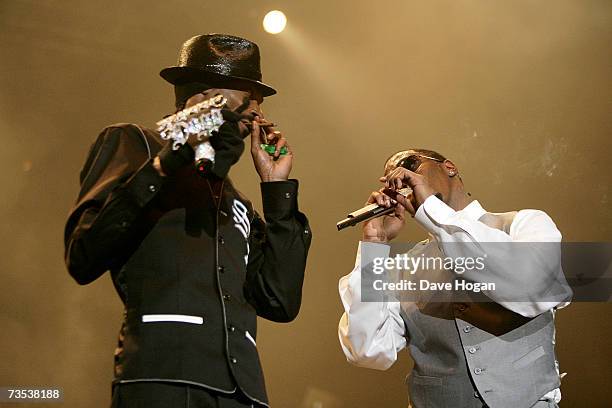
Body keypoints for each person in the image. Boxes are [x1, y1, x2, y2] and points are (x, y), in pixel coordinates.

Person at [64, 34, 312, 408]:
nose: (256, 119)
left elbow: (279, 301)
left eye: (256, 109)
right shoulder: (137, 146)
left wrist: (276, 190)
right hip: (164, 376)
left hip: (242, 393)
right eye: (244, 105)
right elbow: (83, 254)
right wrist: (166, 162)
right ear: (200, 102)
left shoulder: (236, 201)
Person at [338, 149, 572, 408]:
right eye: (392, 181)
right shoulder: (404, 267)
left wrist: (433, 212)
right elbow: (368, 349)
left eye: (409, 166)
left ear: (449, 167)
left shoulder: (524, 224)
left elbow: (531, 288)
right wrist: (374, 245)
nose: (401, 180)